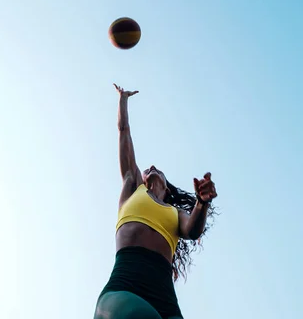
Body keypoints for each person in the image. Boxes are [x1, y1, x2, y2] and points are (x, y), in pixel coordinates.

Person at [93, 85, 218, 319]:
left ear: (166, 182)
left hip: (165, 298)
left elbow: (192, 230)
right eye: (146, 169)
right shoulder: (133, 187)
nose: (149, 168)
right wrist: (123, 101)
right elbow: (123, 131)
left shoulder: (175, 212)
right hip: (126, 286)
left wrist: (202, 202)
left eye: (156, 168)